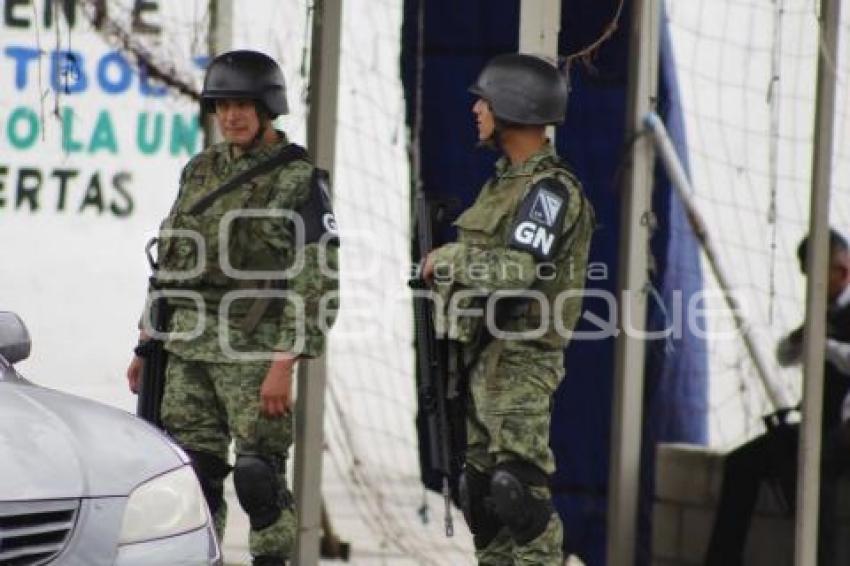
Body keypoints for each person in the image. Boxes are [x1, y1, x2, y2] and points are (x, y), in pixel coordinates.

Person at [126, 50, 339, 566]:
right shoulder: (199, 170)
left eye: (243, 104)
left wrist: (284, 363)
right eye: (222, 105)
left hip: (253, 352)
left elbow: (318, 279)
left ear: (269, 109)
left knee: (258, 478)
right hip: (187, 351)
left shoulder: (298, 179)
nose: (231, 116)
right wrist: (145, 342)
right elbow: (172, 259)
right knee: (190, 479)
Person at [423, 53, 595, 565]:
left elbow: (518, 270)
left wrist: (449, 259)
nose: (477, 109)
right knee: (483, 498)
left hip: (522, 363)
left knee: (516, 491)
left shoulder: (549, 191)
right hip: (480, 358)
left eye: (485, 100)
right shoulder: (501, 184)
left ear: (513, 108)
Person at [704, 229, 850, 566]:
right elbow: (785, 355)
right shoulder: (823, 311)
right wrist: (805, 337)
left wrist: (823, 344)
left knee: (816, 473)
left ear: (841, 271)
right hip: (817, 426)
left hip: (841, 434)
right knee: (742, 463)